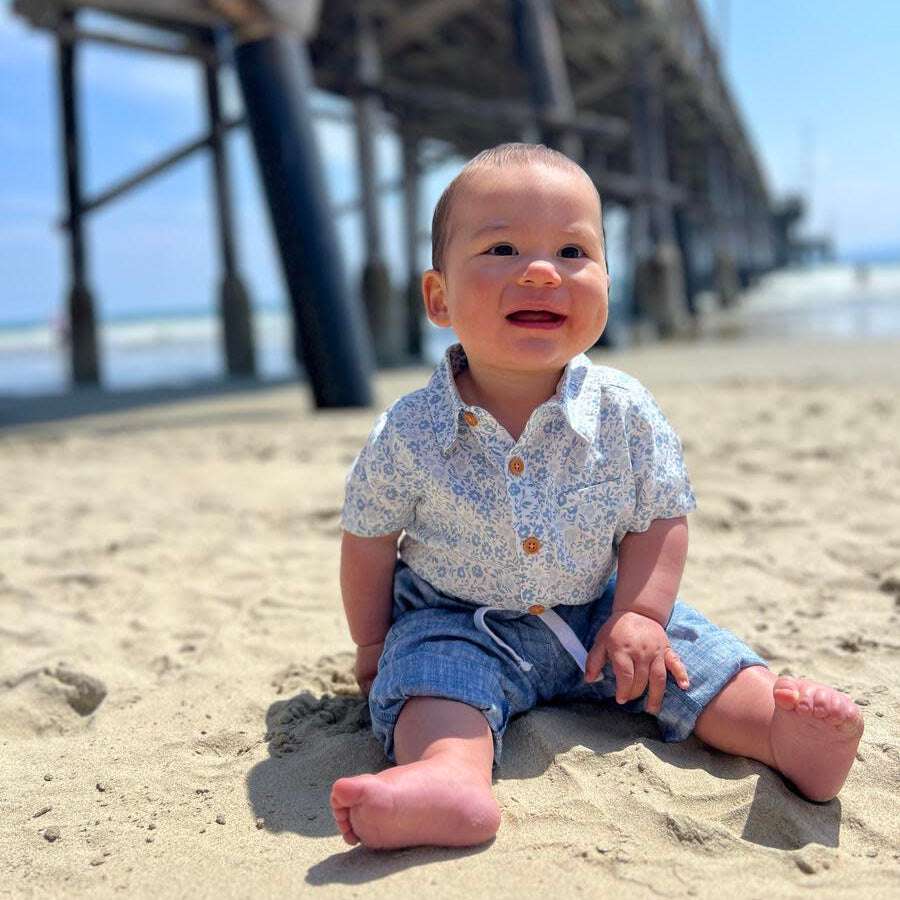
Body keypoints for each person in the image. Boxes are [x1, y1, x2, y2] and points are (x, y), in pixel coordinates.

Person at [330, 143, 864, 850]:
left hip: (604, 615)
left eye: (574, 252)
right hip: (464, 620)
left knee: (694, 659)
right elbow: (368, 540)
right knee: (432, 686)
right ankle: (451, 777)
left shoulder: (625, 409)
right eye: (502, 248)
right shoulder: (410, 431)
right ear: (439, 298)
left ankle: (784, 735)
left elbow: (660, 515)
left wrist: (641, 611)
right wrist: (372, 642)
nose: (543, 270)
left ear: (608, 283)